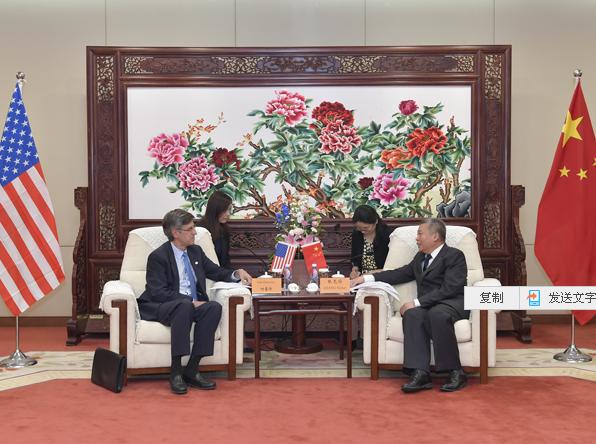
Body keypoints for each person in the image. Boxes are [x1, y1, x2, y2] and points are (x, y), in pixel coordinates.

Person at [138, 209, 252, 395]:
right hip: (163, 306)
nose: (195, 232)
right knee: (184, 306)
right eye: (190, 229)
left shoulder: (195, 252)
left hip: (188, 306)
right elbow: (157, 292)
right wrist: (189, 301)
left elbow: (216, 272)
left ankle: (192, 368)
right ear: (176, 233)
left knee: (213, 307)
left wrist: (236, 273)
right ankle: (176, 372)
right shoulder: (158, 256)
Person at [350, 218, 468, 393]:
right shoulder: (421, 257)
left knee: (436, 315)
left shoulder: (454, 255)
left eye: (420, 234)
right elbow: (400, 274)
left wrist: (416, 302)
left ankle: (455, 371)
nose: (416, 238)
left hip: (451, 302)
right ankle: (420, 373)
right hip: (429, 305)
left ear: (435, 236)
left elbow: (450, 288)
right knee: (412, 314)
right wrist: (366, 278)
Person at [350, 205, 392, 279]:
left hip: (382, 276)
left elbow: (392, 266)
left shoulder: (387, 235)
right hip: (362, 278)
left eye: (365, 228)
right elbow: (355, 258)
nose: (362, 231)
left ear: (376, 221)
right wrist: (355, 270)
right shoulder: (356, 234)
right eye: (359, 228)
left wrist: (372, 274)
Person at [197, 190, 233, 268]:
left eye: (229, 209)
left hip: (222, 273)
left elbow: (225, 261)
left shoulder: (224, 229)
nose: (228, 214)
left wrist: (234, 274)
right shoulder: (201, 230)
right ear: (215, 209)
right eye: (224, 210)